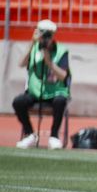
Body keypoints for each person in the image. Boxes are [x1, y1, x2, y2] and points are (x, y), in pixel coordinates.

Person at [14, 19, 70, 149]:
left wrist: (49, 62)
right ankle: (30, 134)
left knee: (60, 101)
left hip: (54, 92)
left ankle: (54, 136)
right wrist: (32, 43)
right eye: (43, 34)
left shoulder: (61, 51)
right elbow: (21, 63)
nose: (46, 39)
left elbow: (63, 76)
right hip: (35, 92)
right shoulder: (33, 49)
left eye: (48, 35)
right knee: (18, 102)